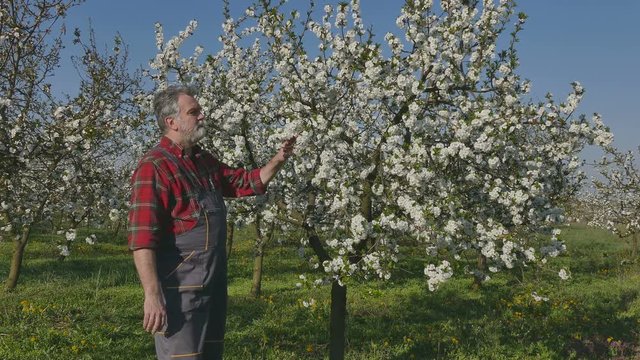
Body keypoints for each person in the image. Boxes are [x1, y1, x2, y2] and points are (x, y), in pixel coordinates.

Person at [128, 85, 295, 360]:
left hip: (213, 286)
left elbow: (243, 182)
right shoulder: (155, 166)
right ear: (172, 122)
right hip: (179, 293)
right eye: (194, 112)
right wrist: (152, 295)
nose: (202, 116)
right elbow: (142, 239)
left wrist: (278, 160)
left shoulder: (202, 161)